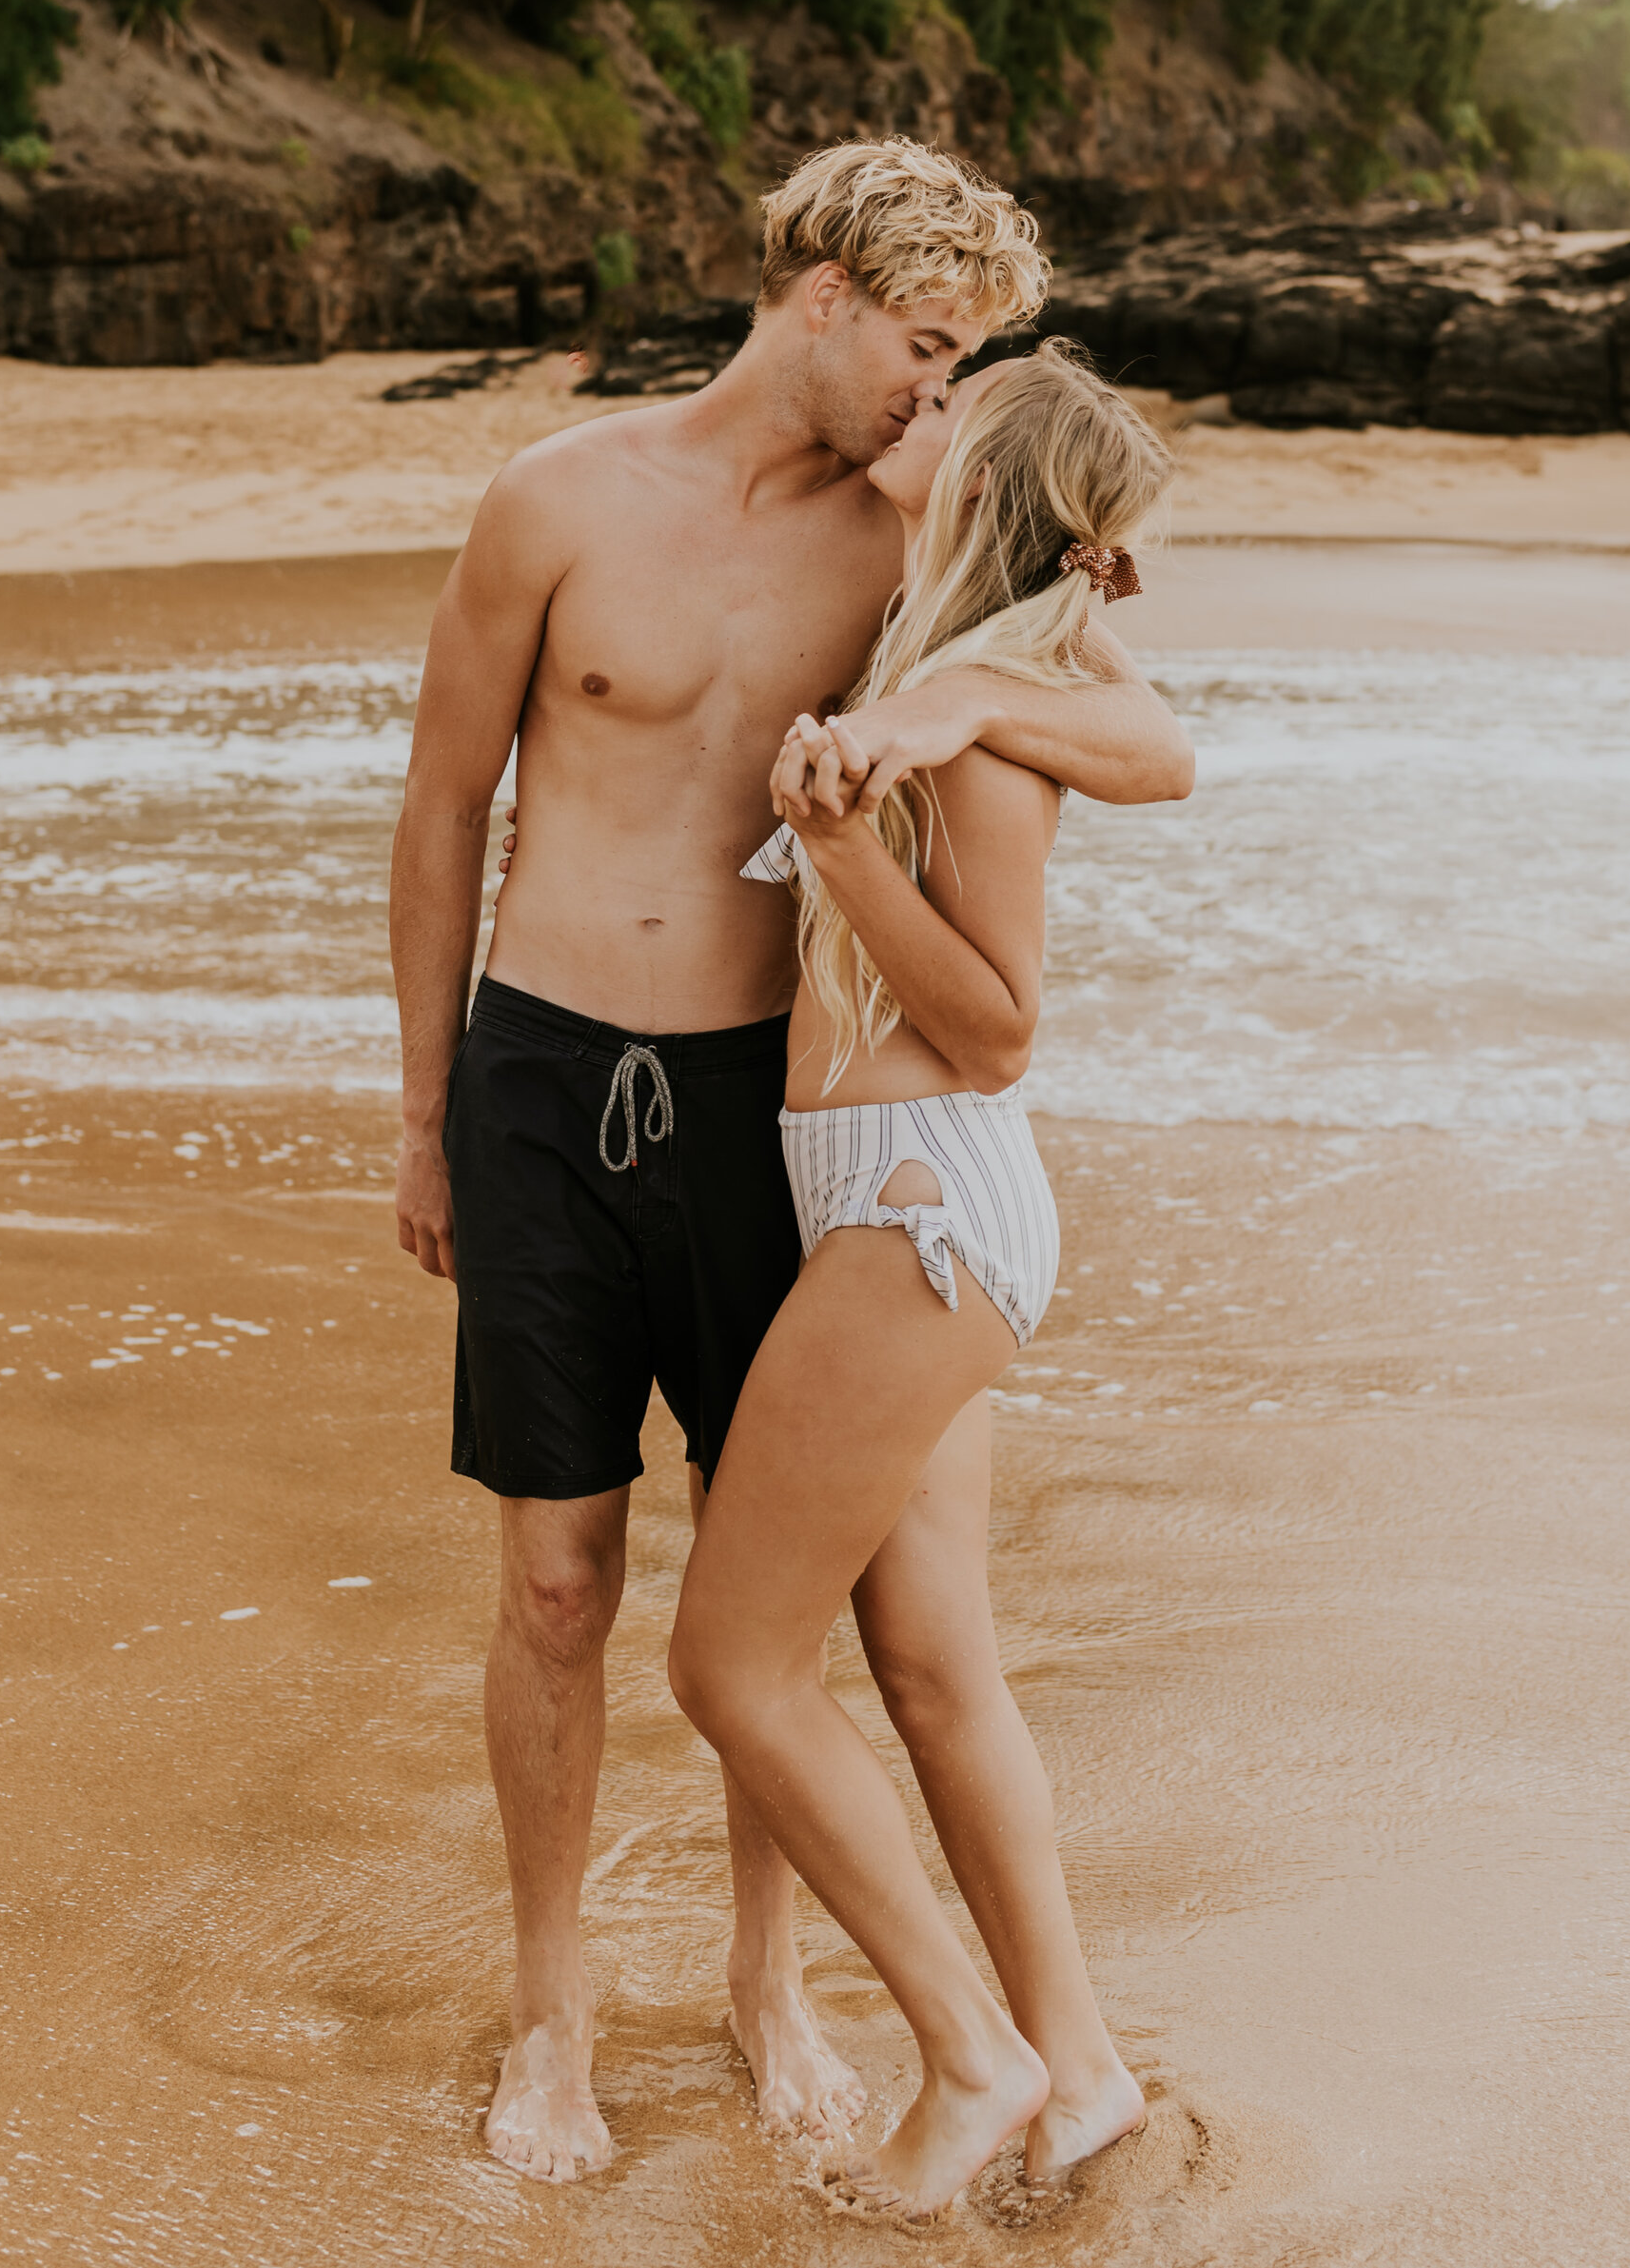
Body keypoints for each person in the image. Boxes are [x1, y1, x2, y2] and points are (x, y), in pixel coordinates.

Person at [388, 140, 1194, 2181]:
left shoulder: (910, 543)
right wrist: (424, 1114)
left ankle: (776, 1984)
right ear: (818, 291)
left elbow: (1146, 741)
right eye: (926, 348)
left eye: (967, 367)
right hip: (544, 1081)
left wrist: (940, 716)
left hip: (773, 1106)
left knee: (784, 1584)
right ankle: (550, 2017)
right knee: (558, 1583)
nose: (941, 396)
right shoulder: (555, 500)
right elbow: (440, 805)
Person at [668, 343, 1172, 2217]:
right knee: (932, 1665)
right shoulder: (953, 659)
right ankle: (1086, 2073)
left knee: (727, 1662)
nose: (920, 400)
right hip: (888, 1206)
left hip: (916, 1200)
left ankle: (970, 2057)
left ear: (986, 478)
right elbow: (1155, 730)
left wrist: (831, 848)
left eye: (958, 399)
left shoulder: (979, 694)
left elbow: (994, 1027)